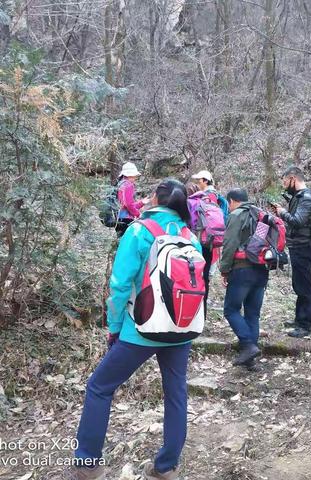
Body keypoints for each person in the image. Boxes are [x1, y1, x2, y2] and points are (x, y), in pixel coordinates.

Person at [69, 180, 201, 480]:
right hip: (180, 330)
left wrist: (114, 328)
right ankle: (166, 467)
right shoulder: (190, 236)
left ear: (155, 198)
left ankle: (88, 465)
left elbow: (119, 285)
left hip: (139, 330)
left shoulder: (140, 231)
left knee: (99, 388)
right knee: (176, 394)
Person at [220, 188, 269, 370]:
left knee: (231, 310)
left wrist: (224, 270)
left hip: (242, 270)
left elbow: (230, 244)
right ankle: (250, 360)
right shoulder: (260, 215)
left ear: (232, 201)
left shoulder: (236, 215)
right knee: (252, 314)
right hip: (262, 270)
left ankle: (248, 345)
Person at [272, 166, 311, 338]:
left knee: (304, 285)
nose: (284, 185)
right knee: (298, 284)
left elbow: (297, 221)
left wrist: (282, 213)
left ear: (293, 178)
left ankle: (305, 325)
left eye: (285, 181)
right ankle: (299, 319)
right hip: (298, 246)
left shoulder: (306, 198)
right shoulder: (299, 197)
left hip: (303, 246)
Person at [191, 170, 228, 312]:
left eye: (199, 180)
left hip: (204, 239)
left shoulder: (206, 196)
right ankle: (202, 309)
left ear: (206, 181)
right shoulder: (217, 196)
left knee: (201, 274)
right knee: (205, 274)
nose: (197, 183)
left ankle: (201, 309)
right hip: (212, 240)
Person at [115, 162, 149, 237]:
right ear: (129, 175)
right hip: (126, 219)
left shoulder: (120, 184)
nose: (135, 177)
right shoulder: (128, 185)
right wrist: (138, 214)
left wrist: (141, 202)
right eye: (134, 175)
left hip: (119, 217)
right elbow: (129, 205)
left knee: (121, 240)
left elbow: (126, 204)